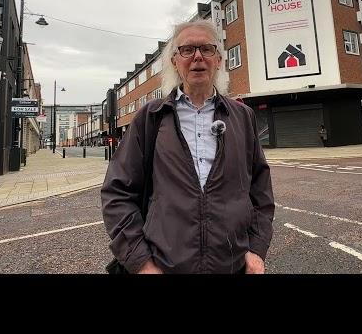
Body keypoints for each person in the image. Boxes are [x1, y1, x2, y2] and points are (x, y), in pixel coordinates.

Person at [101, 20, 275, 274]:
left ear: (219, 60)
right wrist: (142, 263)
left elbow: (260, 190)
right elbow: (117, 193)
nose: (197, 57)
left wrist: (256, 250)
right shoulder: (151, 117)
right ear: (174, 61)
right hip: (164, 267)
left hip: (231, 266)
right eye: (187, 50)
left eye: (206, 49)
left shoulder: (242, 116)